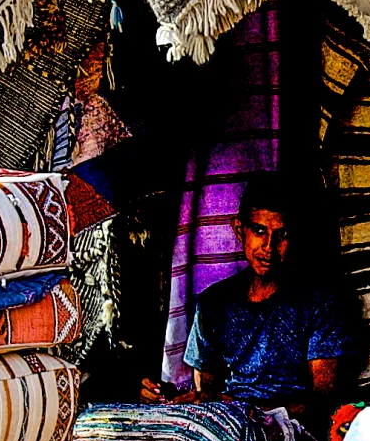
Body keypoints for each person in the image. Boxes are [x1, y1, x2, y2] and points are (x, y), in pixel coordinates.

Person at [143, 173, 356, 421]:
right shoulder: (214, 303)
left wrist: (247, 411)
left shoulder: (320, 301)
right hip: (229, 425)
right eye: (259, 231)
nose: (268, 246)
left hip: (293, 432)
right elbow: (206, 392)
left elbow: (322, 401)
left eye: (282, 234)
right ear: (239, 230)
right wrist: (166, 396)